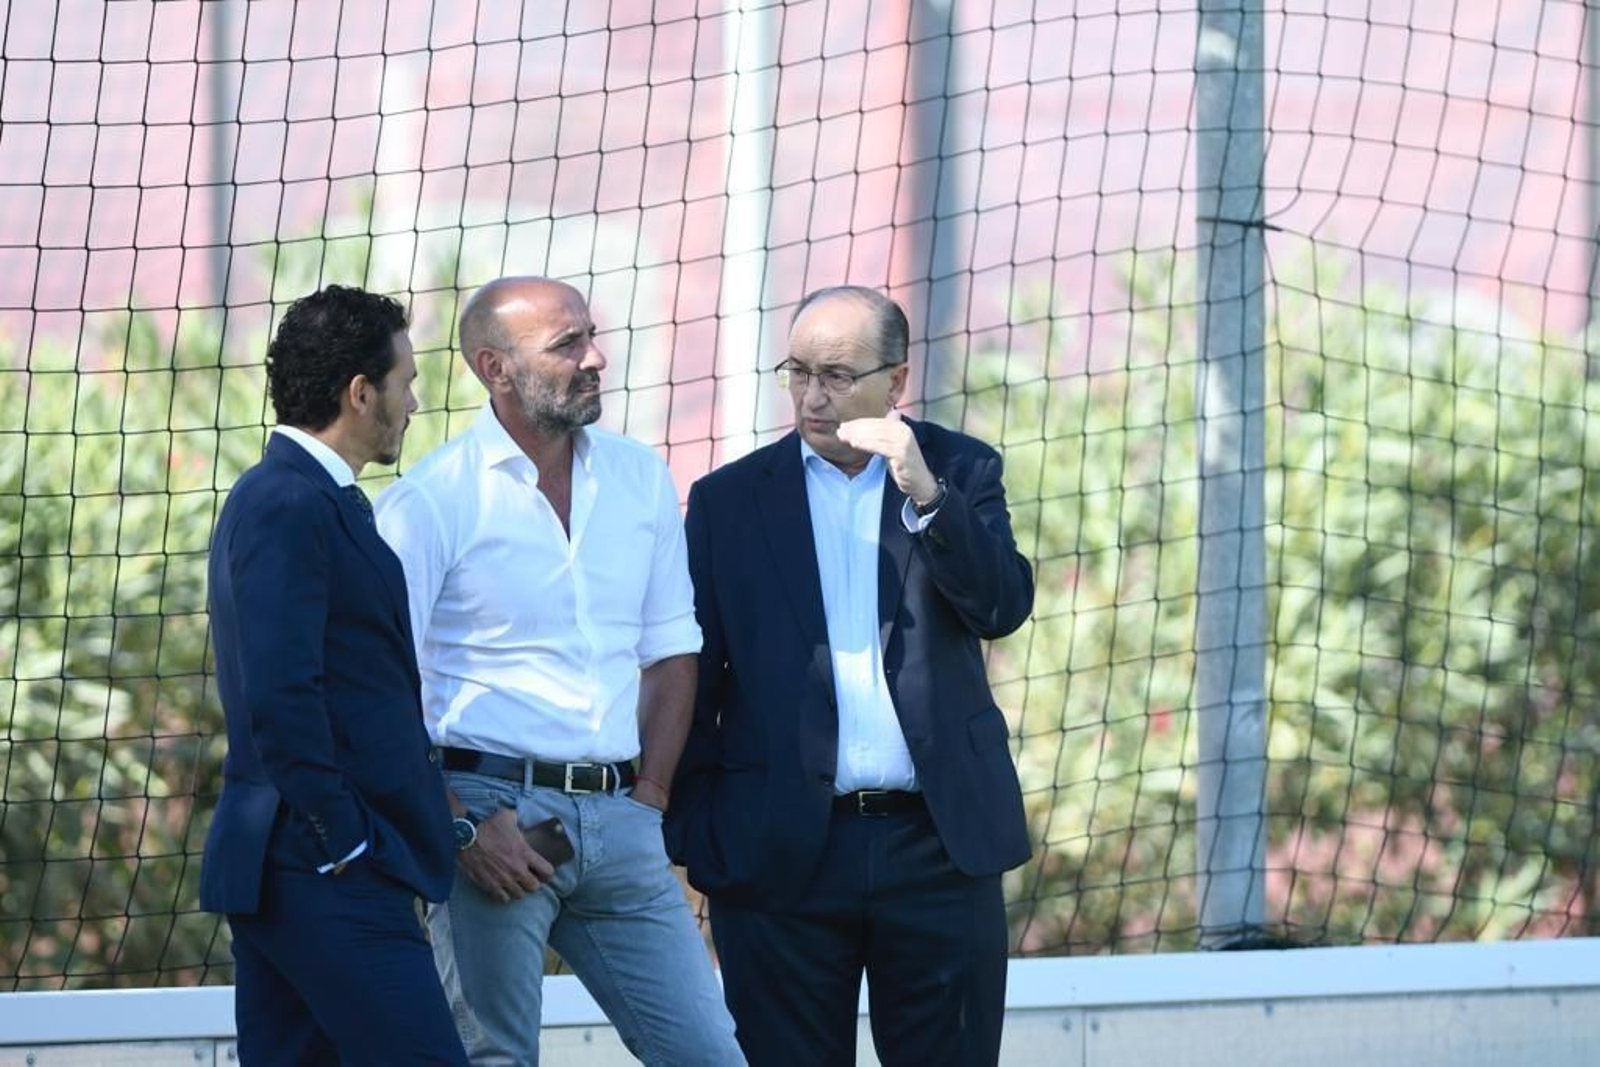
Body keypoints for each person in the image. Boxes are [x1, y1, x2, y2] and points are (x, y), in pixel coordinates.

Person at [374, 276, 743, 1066]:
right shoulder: (430, 499)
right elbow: (381, 682)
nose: (595, 357)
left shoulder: (640, 478)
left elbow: (673, 648)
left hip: (623, 820)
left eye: (590, 335)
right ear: (494, 368)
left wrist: (651, 800)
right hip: (491, 817)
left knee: (712, 1055)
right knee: (494, 1060)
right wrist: (459, 825)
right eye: (566, 344)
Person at [665, 285, 1036, 1066]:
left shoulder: (960, 469)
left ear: (895, 382)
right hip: (779, 855)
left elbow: (1000, 605)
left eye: (836, 374)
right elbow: (694, 672)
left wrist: (925, 492)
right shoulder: (727, 501)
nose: (812, 395)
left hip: (937, 845)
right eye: (797, 372)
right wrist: (702, 832)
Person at [200, 285, 466, 1066]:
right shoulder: (288, 500)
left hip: (305, 868)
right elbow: (281, 698)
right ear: (360, 392)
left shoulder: (312, 497)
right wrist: (347, 843)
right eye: (405, 382)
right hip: (323, 872)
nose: (412, 402)